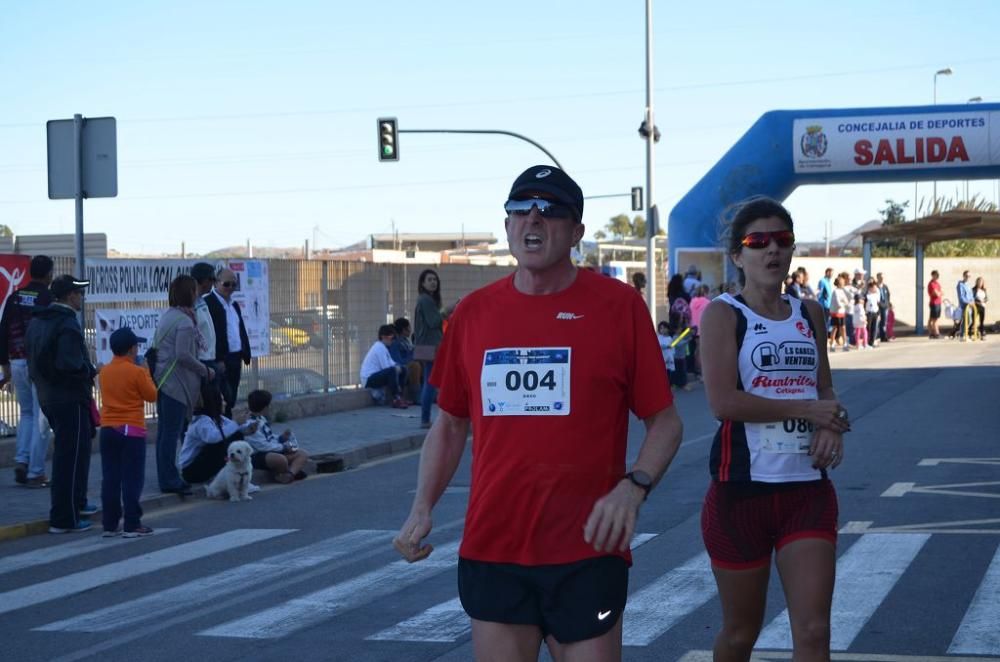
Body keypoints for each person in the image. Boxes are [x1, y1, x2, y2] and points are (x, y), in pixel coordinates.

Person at [393, 165, 684, 661]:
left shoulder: (618, 306)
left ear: (576, 232)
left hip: (587, 550)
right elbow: (450, 424)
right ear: (507, 226)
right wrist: (422, 506)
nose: (533, 218)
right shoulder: (472, 314)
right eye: (520, 209)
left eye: (549, 210)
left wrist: (634, 487)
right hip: (495, 547)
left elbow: (666, 421)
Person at [699, 197, 848, 660]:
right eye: (757, 241)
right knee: (741, 634)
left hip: (806, 492)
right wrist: (811, 411)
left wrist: (832, 426)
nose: (772, 250)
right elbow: (723, 403)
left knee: (813, 630)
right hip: (740, 493)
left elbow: (825, 390)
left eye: (782, 241)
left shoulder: (810, 313)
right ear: (738, 255)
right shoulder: (724, 314)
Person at [26, 276, 99, 534]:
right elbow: (70, 365)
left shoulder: (38, 321)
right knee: (69, 458)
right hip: (69, 398)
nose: (81, 297)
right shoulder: (67, 324)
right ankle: (64, 518)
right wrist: (89, 371)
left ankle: (77, 503)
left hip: (49, 396)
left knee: (72, 454)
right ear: (69, 296)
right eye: (78, 293)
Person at [154, 275, 214, 495]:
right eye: (194, 290)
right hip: (176, 383)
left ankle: (166, 476)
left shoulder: (170, 315)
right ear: (189, 293)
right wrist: (205, 370)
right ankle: (170, 480)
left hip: (163, 380)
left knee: (164, 434)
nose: (197, 294)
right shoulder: (185, 322)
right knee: (171, 433)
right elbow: (183, 355)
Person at [98, 327, 158, 538]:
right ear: (132, 349)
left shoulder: (104, 371)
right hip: (131, 428)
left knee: (110, 477)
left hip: (107, 428)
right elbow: (151, 395)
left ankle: (109, 523)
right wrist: (147, 371)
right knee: (132, 478)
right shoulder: (137, 371)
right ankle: (132, 523)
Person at [0, 254, 54, 488]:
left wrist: (5, 365)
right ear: (49, 274)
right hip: (38, 364)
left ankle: (22, 459)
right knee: (42, 418)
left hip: (16, 362)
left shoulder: (14, 298)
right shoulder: (48, 298)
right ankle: (36, 472)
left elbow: (2, 331)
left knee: (27, 414)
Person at [178, 381, 255, 485]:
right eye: (222, 400)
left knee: (236, 435)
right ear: (214, 402)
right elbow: (213, 437)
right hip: (190, 471)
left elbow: (237, 428)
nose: (225, 403)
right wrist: (236, 423)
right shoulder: (202, 421)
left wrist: (250, 427)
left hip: (201, 464)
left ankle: (237, 477)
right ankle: (233, 478)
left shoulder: (218, 418)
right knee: (222, 442)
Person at [205, 268, 251, 417]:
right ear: (216, 283)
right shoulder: (208, 304)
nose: (230, 288)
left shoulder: (234, 305)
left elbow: (240, 329)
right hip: (220, 360)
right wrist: (218, 359)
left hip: (235, 357)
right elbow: (210, 334)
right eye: (226, 284)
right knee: (220, 398)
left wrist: (245, 352)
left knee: (231, 398)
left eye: (233, 285)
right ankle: (220, 431)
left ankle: (228, 429)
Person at [243, 389, 309, 483]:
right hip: (258, 455)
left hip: (271, 450)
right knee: (280, 459)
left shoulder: (261, 419)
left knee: (303, 454)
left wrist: (281, 438)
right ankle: (285, 473)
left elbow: (269, 437)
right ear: (265, 407)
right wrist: (283, 447)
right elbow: (262, 446)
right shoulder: (250, 424)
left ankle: (289, 474)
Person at [413, 269, 446, 428]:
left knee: (431, 380)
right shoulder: (425, 300)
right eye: (429, 280)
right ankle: (425, 419)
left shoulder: (427, 300)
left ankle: (427, 418)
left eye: (435, 279)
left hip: (429, 346)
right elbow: (433, 322)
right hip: (431, 346)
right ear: (423, 283)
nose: (433, 282)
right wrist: (448, 310)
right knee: (431, 382)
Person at [361, 324, 408, 408]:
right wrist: (397, 368)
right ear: (383, 337)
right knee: (392, 371)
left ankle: (401, 397)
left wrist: (400, 367)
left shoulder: (383, 347)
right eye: (390, 338)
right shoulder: (379, 348)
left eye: (393, 339)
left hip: (375, 375)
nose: (392, 341)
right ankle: (396, 398)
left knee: (403, 369)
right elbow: (386, 367)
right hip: (368, 379)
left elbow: (392, 363)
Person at [190, 262, 221, 378]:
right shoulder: (191, 304)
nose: (213, 283)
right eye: (212, 279)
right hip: (201, 360)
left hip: (210, 358)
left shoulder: (202, 300)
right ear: (203, 280)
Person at [390, 317, 421, 401]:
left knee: (424, 363)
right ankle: (416, 395)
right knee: (415, 365)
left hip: (409, 363)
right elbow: (397, 360)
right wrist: (412, 356)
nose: (410, 330)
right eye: (409, 328)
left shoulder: (406, 341)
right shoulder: (396, 343)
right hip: (403, 366)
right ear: (404, 329)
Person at [828, 275, 850, 352]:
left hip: (842, 312)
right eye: (842, 282)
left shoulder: (842, 291)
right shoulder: (835, 291)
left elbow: (846, 301)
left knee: (843, 328)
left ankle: (845, 344)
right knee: (835, 328)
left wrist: (844, 303)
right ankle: (832, 344)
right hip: (835, 313)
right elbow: (838, 303)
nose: (843, 283)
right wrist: (843, 304)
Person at [927, 270, 943, 339]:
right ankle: (936, 333)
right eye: (935, 275)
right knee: (934, 319)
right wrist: (939, 293)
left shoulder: (937, 283)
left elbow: (942, 292)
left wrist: (939, 293)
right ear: (932, 275)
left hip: (938, 303)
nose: (936, 277)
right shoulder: (931, 284)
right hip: (934, 303)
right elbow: (937, 294)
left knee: (932, 319)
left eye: (937, 275)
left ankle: (931, 333)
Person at [875, 273, 891, 342]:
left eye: (883, 277)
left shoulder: (885, 286)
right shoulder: (875, 286)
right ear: (877, 278)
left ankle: (883, 336)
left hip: (885, 306)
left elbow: (888, 295)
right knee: (877, 322)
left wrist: (888, 304)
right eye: (880, 277)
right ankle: (876, 336)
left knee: (884, 322)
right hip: (878, 306)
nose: (882, 279)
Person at [865, 279, 880, 347]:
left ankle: (872, 342)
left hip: (875, 313)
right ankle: (867, 341)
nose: (875, 288)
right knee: (868, 328)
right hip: (869, 313)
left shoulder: (876, 295)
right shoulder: (867, 295)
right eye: (874, 287)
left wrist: (878, 313)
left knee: (874, 328)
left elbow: (878, 303)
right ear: (870, 288)